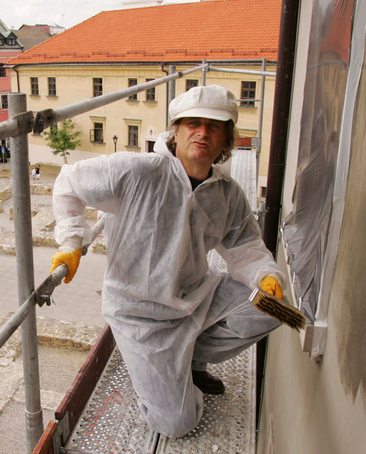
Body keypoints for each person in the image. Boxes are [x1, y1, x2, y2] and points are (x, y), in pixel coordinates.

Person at [49, 85, 284, 438]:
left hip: (195, 297)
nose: (202, 132)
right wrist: (71, 241)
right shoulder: (137, 171)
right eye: (193, 123)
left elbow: (246, 247)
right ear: (176, 129)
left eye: (214, 126)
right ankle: (170, 372)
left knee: (278, 309)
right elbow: (68, 182)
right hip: (140, 316)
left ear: (227, 140)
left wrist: (266, 275)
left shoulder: (227, 193)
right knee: (177, 424)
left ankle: (187, 359)